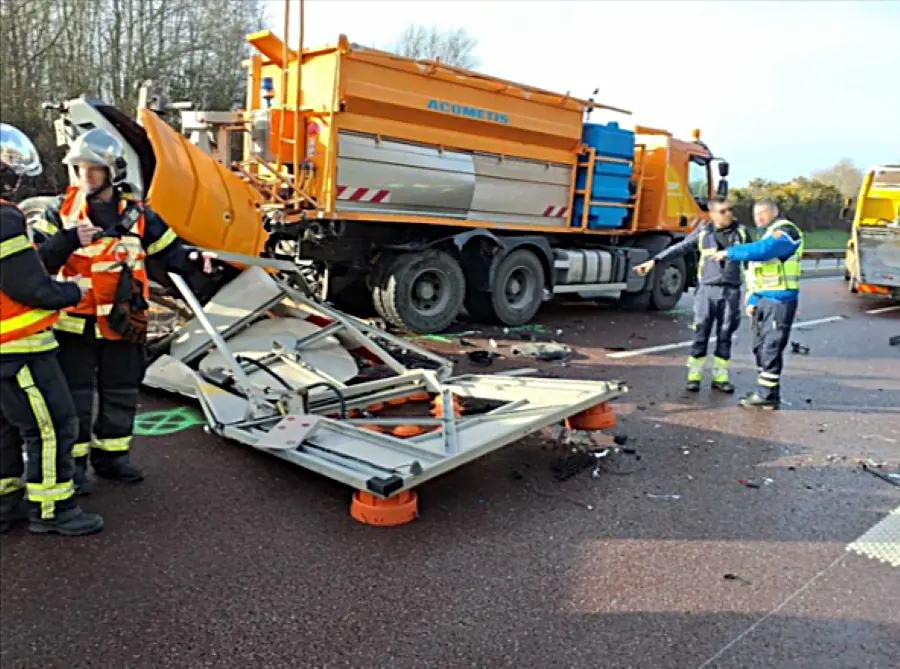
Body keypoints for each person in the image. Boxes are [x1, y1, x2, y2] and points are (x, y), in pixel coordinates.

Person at [31, 128, 214, 495]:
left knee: (121, 393)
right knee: (76, 401)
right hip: (76, 325)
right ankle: (73, 469)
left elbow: (169, 251)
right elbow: (38, 262)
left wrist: (195, 257)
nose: (85, 175)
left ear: (112, 171)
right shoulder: (59, 212)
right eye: (79, 168)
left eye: (93, 168)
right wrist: (67, 240)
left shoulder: (138, 214)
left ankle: (112, 458)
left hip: (124, 323)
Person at [0, 123, 104, 535]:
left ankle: (6, 503)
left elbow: (22, 267)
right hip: (18, 347)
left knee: (7, 430)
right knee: (53, 426)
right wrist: (72, 291)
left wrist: (66, 241)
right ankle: (53, 509)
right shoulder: (4, 217)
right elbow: (29, 286)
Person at [634, 198, 752, 392]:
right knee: (701, 332)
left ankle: (720, 377)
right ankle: (694, 375)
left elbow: (752, 260)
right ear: (712, 214)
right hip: (707, 289)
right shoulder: (703, 232)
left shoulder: (742, 233)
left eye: (730, 210)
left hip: (731, 290)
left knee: (725, 333)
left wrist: (753, 291)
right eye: (723, 211)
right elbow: (679, 248)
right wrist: (655, 261)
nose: (728, 214)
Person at [712, 198, 803, 410]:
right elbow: (757, 271)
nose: (759, 218)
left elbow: (764, 250)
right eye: (756, 214)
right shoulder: (767, 234)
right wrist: (753, 299)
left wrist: (730, 252)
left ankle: (766, 395)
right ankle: (767, 392)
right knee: (760, 347)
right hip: (763, 299)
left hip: (779, 300)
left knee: (771, 347)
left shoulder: (786, 232)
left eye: (763, 212)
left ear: (774, 212)